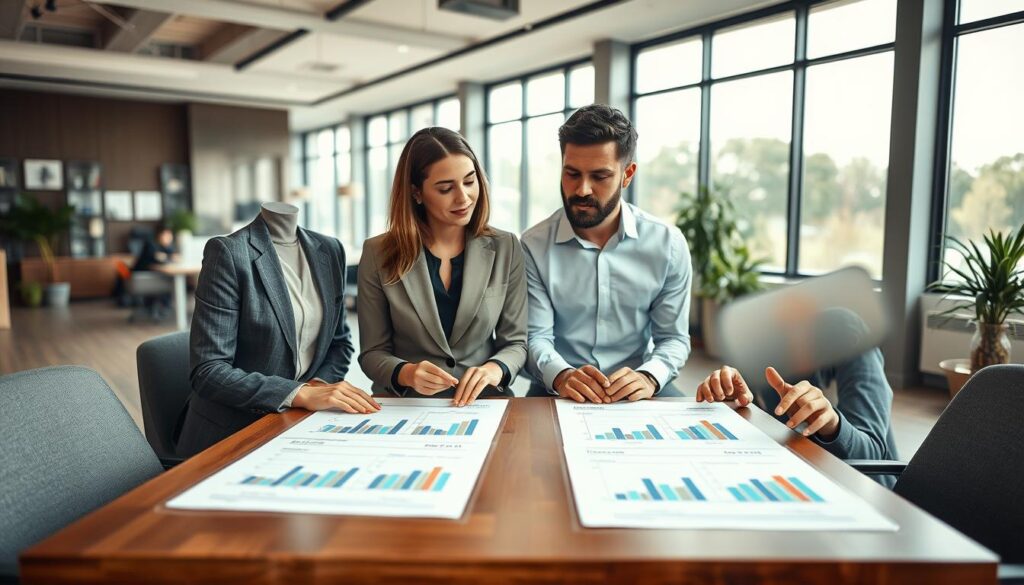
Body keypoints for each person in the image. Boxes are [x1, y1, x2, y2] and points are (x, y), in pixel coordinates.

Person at [176, 202, 378, 457]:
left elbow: (339, 342)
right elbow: (208, 371)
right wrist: (298, 393)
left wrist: (318, 386)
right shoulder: (229, 252)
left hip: (296, 423)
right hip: (231, 431)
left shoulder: (330, 249)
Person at [522, 104, 691, 403]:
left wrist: (650, 377)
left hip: (640, 385)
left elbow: (673, 339)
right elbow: (536, 338)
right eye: (572, 173)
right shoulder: (533, 246)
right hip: (559, 387)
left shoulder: (668, 245)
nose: (582, 189)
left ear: (627, 175)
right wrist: (561, 376)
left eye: (599, 176)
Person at [358, 127, 528, 405]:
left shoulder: (505, 246)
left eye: (470, 182)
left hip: (483, 403)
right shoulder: (378, 253)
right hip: (407, 406)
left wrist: (493, 370)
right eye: (446, 188)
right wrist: (406, 373)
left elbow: (516, 343)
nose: (463, 198)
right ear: (416, 193)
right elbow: (373, 353)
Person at [695, 351, 899, 480]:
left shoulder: (859, 349)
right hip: (799, 476)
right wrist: (733, 399)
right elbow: (763, 419)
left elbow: (872, 454)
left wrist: (833, 426)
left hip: (864, 491)